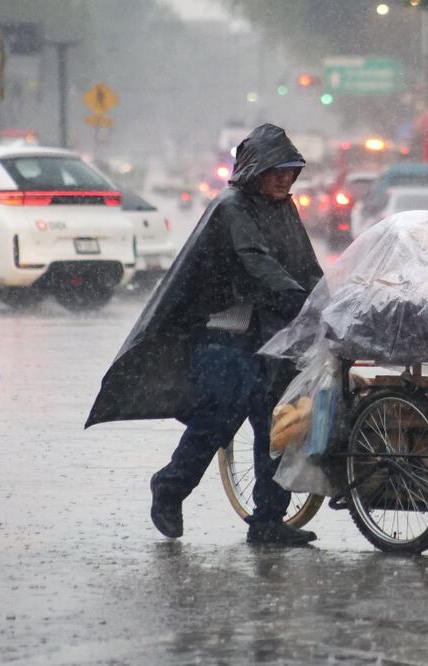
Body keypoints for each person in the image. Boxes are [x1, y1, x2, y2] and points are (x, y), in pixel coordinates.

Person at [86, 124, 324, 546]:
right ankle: (170, 487)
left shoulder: (284, 209)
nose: (284, 178)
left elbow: (305, 266)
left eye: (290, 170)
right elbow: (257, 265)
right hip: (220, 335)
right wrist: (296, 298)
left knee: (275, 425)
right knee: (220, 415)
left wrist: (327, 300)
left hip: (268, 334)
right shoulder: (230, 208)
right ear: (254, 170)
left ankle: (268, 520)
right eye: (276, 170)